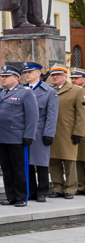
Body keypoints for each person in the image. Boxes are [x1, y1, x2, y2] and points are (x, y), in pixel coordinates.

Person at [0, 64, 38, 207]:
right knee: (6, 169)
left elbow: (32, 116)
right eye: (3, 76)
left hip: (17, 137)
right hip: (1, 136)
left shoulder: (25, 92)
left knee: (19, 169)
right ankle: (10, 196)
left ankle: (21, 197)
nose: (3, 79)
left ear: (16, 78)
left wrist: (29, 135)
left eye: (7, 76)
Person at [47, 66, 85, 199]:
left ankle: (70, 188)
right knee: (53, 161)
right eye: (53, 75)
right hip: (51, 131)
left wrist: (79, 132)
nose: (55, 77)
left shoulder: (75, 91)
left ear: (65, 76)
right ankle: (58, 187)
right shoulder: (48, 90)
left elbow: (81, 114)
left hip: (68, 132)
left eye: (58, 75)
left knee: (70, 161)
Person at [23, 62, 58, 202]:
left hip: (40, 130)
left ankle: (42, 191)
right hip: (24, 130)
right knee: (28, 162)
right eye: (25, 72)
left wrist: (49, 133)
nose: (27, 75)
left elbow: (52, 114)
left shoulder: (49, 91)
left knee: (41, 162)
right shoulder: (22, 89)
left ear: (38, 73)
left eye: (30, 72)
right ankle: (31, 191)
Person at [74, 69, 85, 196]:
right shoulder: (73, 92)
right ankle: (81, 185)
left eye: (76, 78)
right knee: (79, 160)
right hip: (78, 131)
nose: (73, 80)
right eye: (72, 78)